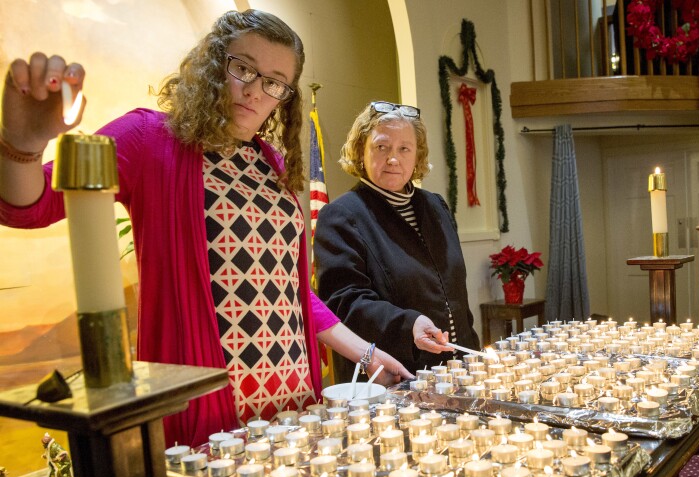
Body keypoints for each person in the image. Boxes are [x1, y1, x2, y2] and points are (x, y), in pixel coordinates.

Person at [0, 10, 412, 447]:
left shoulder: (271, 163)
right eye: (243, 68)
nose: (255, 90)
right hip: (208, 414)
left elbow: (284, 287)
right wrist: (22, 144)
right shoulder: (149, 138)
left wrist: (366, 354)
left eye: (274, 82)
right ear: (215, 63)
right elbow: (31, 207)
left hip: (295, 403)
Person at [314, 101, 480, 381]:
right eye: (381, 147)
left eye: (404, 148)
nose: (393, 159)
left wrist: (472, 358)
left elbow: (456, 297)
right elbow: (344, 302)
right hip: (392, 375)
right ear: (360, 151)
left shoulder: (435, 206)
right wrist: (409, 323)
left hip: (456, 370)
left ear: (417, 155)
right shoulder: (341, 216)